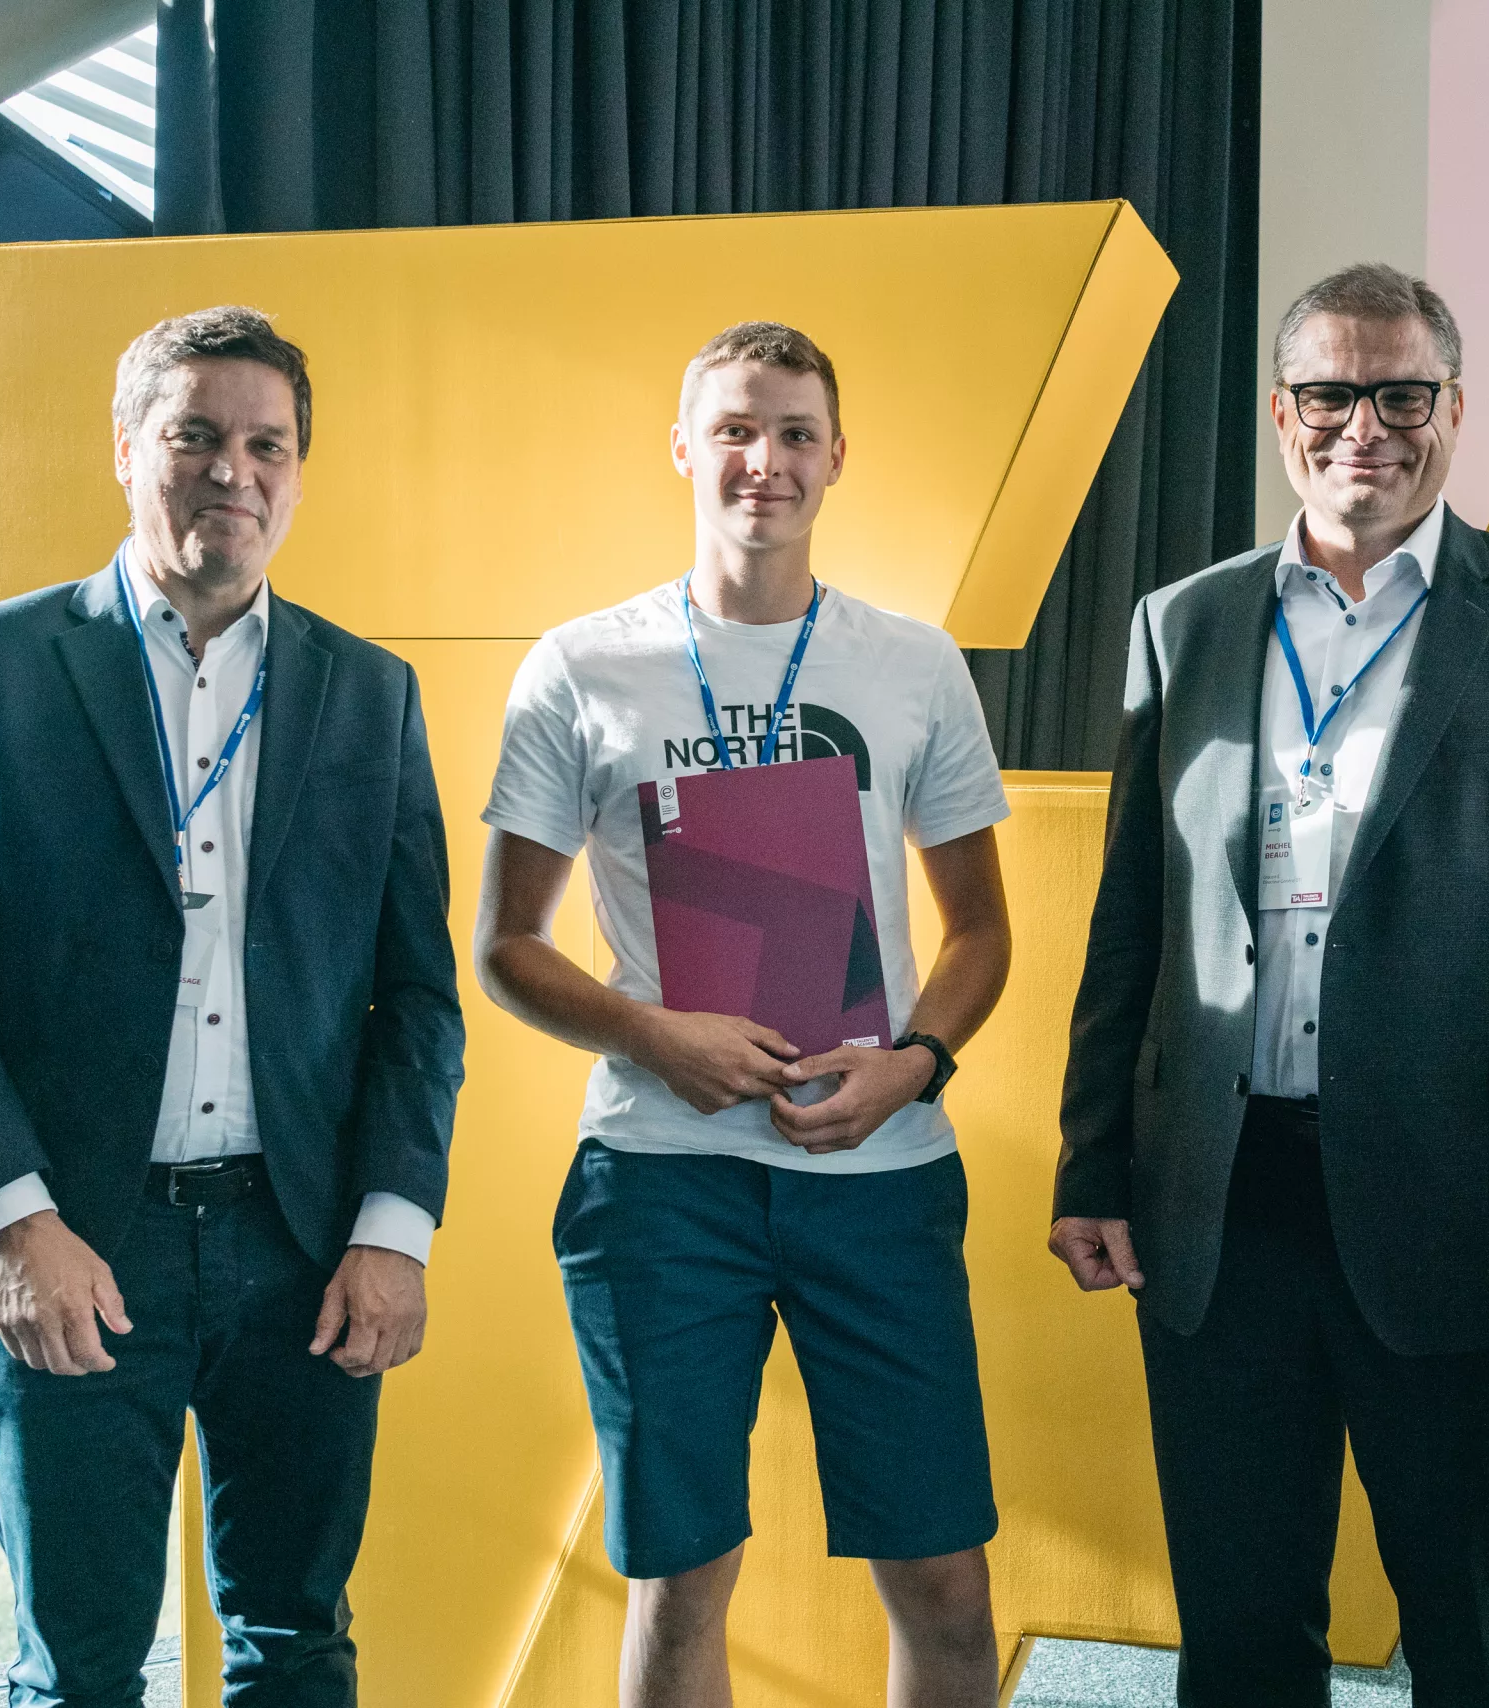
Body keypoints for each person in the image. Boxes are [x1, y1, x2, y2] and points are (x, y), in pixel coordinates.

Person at [1049, 262, 1489, 1706]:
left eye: (1403, 396)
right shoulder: (1183, 622)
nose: (1366, 428)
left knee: (1475, 1636)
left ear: (1453, 408)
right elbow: (1131, 924)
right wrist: (1093, 1163)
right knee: (1240, 1632)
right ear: (1283, 413)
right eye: (1331, 395)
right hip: (1220, 1205)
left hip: (1470, 1213)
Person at [0, 306, 465, 1706]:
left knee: (298, 1643)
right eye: (195, 435)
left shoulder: (370, 693)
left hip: (301, 1250)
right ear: (128, 450)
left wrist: (393, 1228)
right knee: (79, 1669)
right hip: (72, 1242)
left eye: (267, 445)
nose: (231, 470)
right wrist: (15, 1226)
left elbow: (419, 999)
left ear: (296, 473)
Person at [475, 321, 1014, 1708]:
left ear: (835, 458)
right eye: (733, 428)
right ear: (682, 448)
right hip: (661, 1185)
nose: (762, 459)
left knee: (948, 1585)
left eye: (792, 432)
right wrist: (653, 1035)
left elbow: (980, 930)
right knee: (681, 1585)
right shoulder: (581, 665)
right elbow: (506, 947)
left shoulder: (914, 665)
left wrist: (916, 1063)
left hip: (879, 1174)